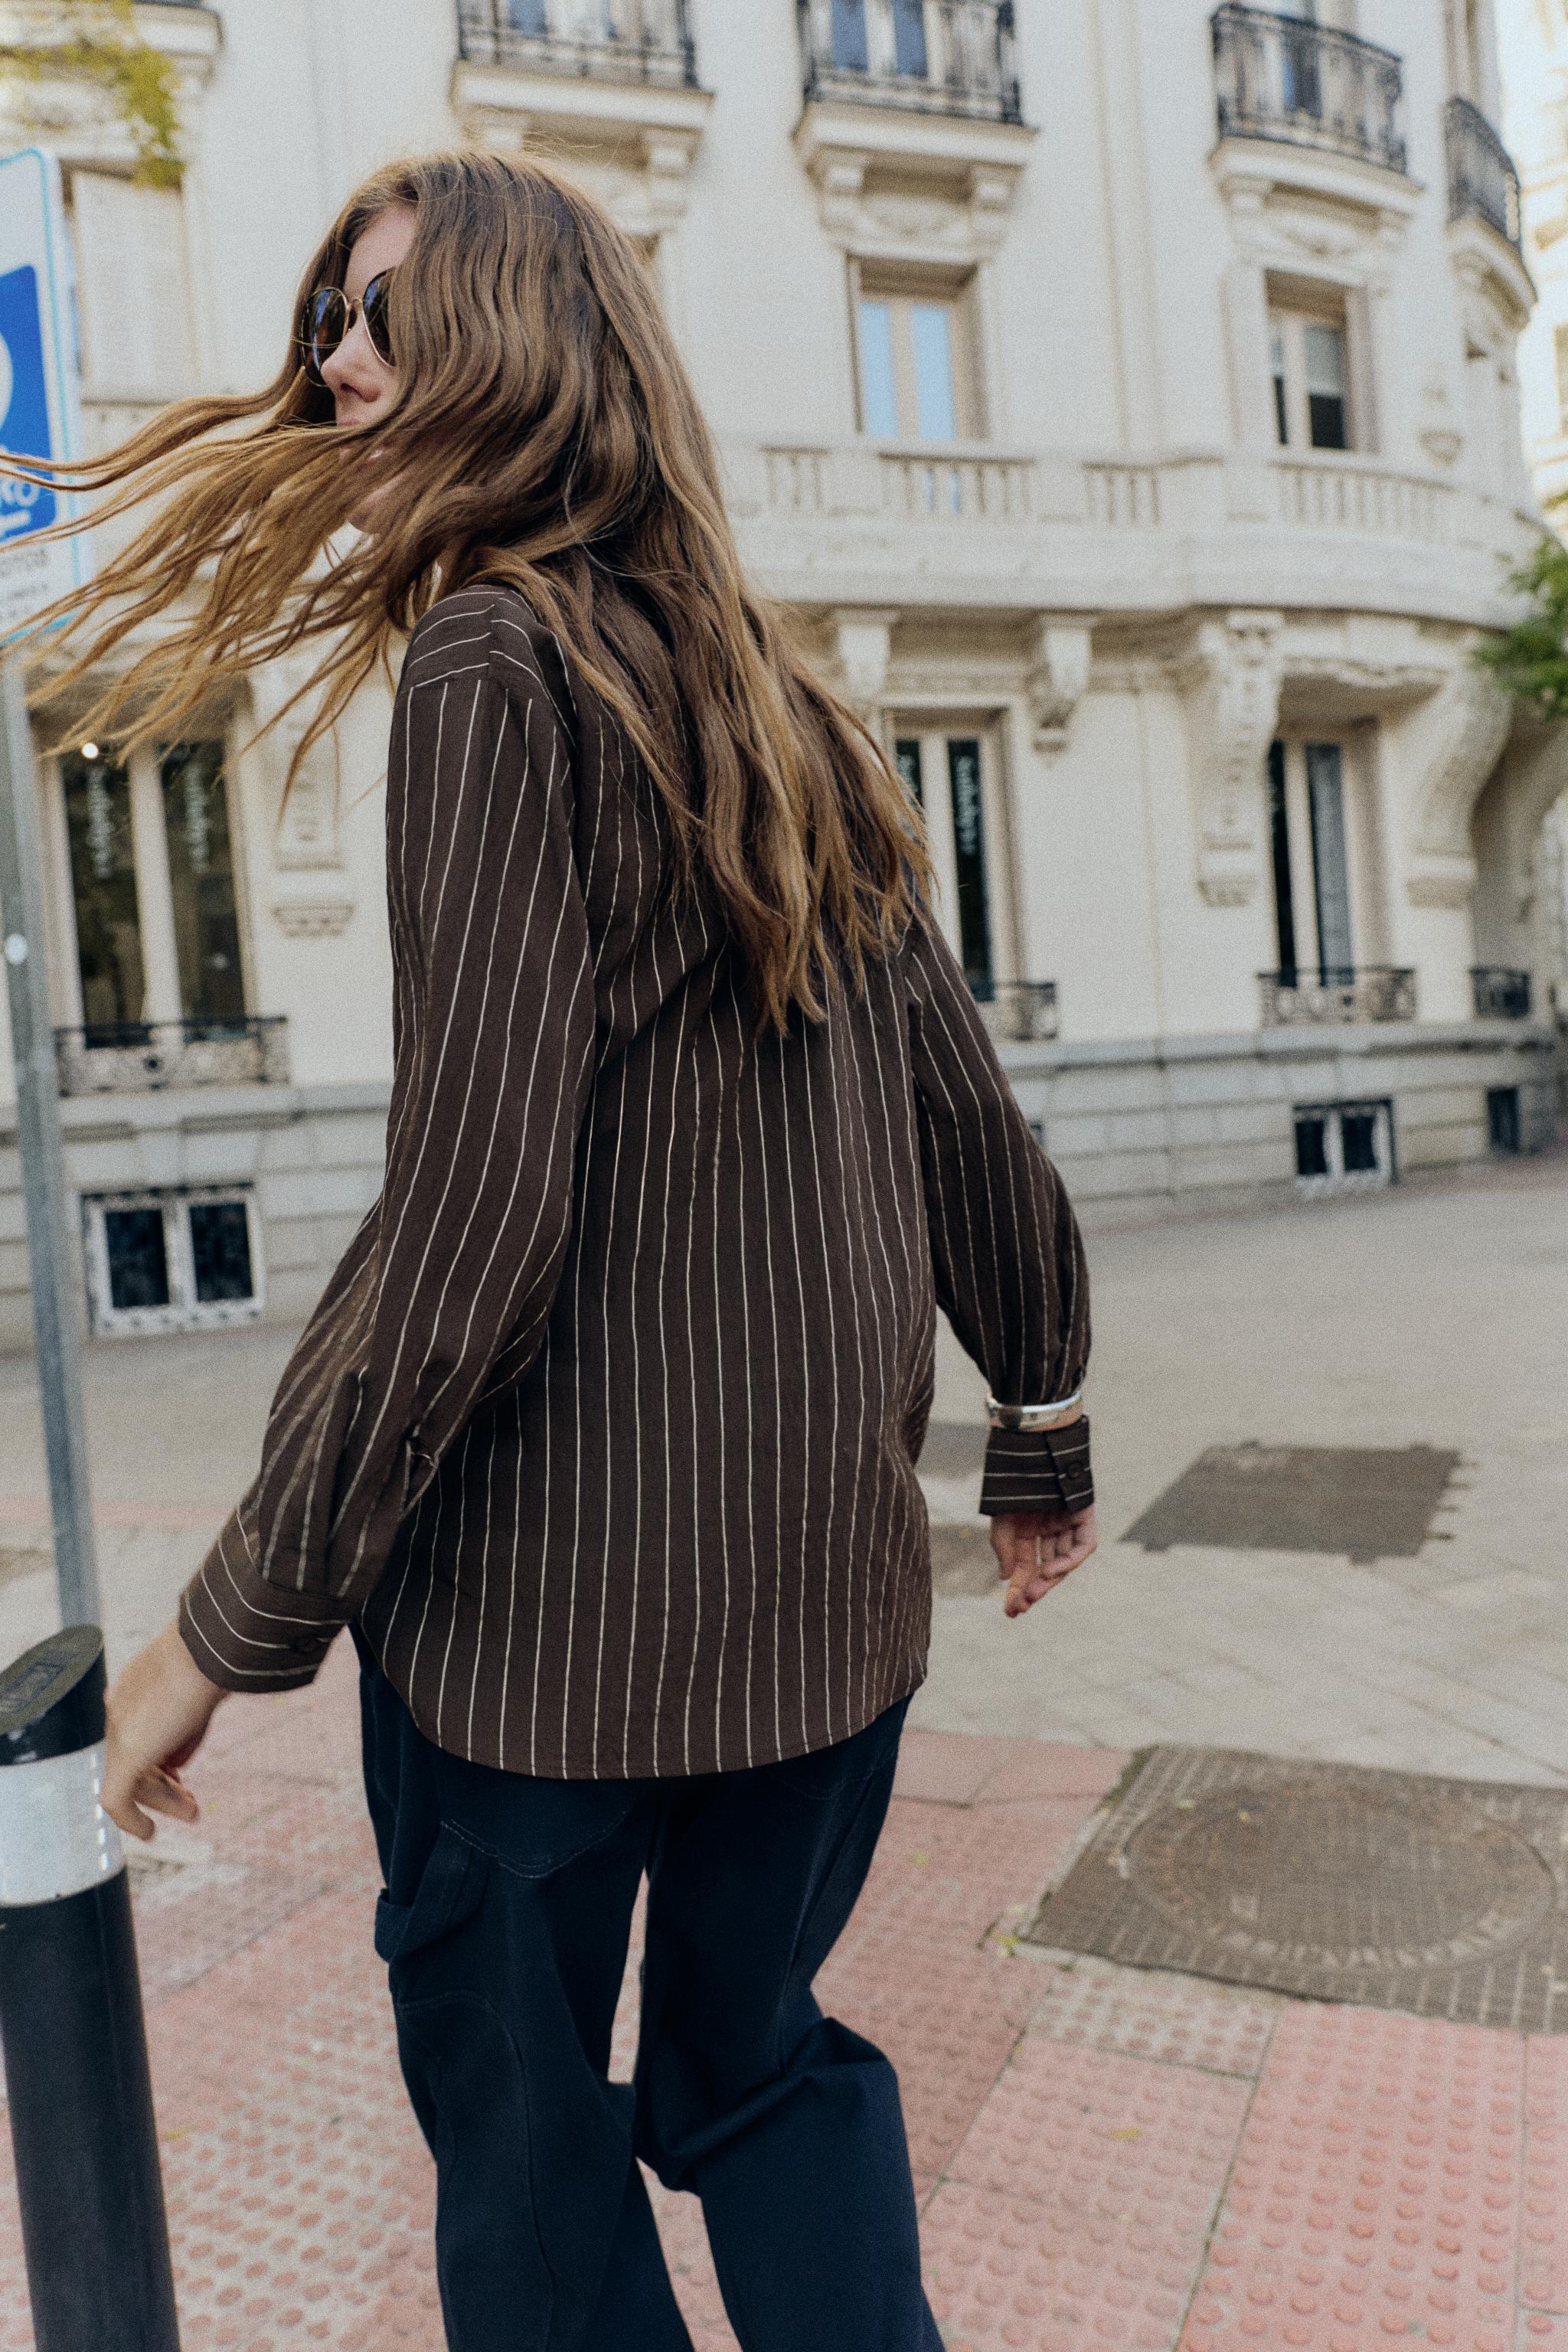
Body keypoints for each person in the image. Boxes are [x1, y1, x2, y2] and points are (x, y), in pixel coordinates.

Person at [64, 152, 1097, 2351]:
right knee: (765, 2079)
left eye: (380, 311)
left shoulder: (485, 664)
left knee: (531, 2149)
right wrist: (1045, 1413)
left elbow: (474, 1215)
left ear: (531, 344)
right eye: (329, 314)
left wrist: (230, 1623)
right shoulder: (783, 695)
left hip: (539, 1647)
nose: (333, 356)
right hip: (824, 1625)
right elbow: (968, 1114)